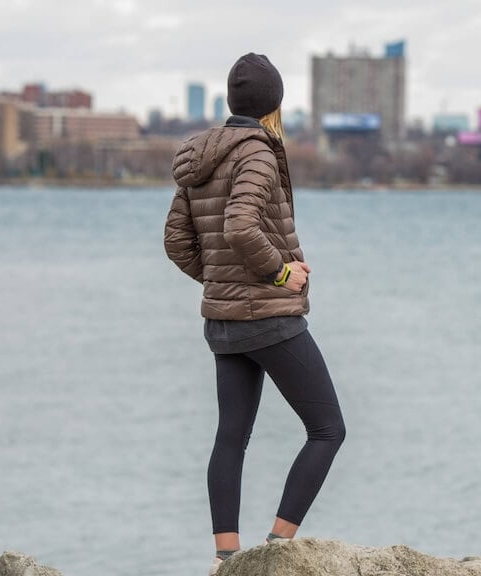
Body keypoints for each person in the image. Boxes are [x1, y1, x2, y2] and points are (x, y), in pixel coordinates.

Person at [163, 52, 346, 576]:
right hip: (268, 318)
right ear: (275, 105)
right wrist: (281, 274)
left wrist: (222, 283)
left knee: (231, 436)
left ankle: (226, 558)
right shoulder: (258, 153)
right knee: (328, 429)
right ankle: (278, 551)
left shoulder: (199, 155)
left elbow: (177, 242)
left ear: (230, 101)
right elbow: (242, 227)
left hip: (224, 321)